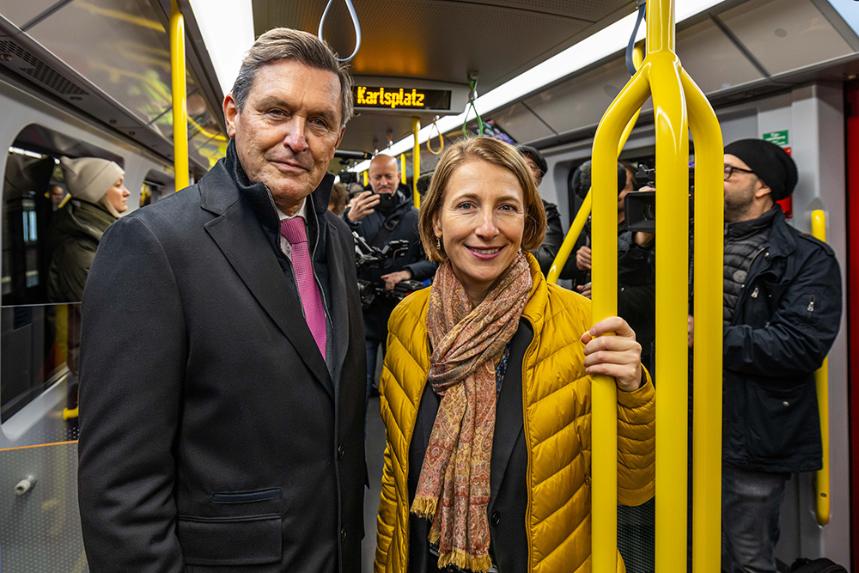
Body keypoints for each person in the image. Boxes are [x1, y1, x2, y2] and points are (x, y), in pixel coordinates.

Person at [77, 28, 367, 572]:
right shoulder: (153, 246)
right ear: (234, 115)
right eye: (276, 112)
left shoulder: (336, 240)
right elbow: (121, 492)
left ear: (338, 135)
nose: (297, 138)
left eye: (320, 122)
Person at [374, 137, 655, 572]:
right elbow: (395, 479)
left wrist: (634, 391)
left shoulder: (582, 323)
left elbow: (634, 486)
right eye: (466, 205)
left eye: (507, 207)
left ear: (528, 222)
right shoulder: (408, 321)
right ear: (435, 223)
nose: (487, 227)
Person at [694, 139, 842, 573]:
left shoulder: (806, 258)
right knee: (690, 546)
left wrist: (709, 338)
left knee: (746, 555)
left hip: (755, 432)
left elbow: (802, 345)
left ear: (762, 188)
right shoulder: (692, 241)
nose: (714, 180)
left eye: (727, 172)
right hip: (691, 422)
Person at [345, 153, 436, 396]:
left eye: (388, 176)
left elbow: (433, 261)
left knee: (400, 386)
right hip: (364, 310)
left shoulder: (415, 217)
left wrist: (407, 272)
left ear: (398, 177)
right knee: (358, 387)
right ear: (370, 179)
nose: (384, 182)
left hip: (401, 309)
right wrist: (349, 221)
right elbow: (336, 253)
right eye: (378, 177)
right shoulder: (357, 213)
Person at [47, 157, 129, 302]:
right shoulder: (79, 250)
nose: (127, 192)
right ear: (98, 193)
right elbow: (103, 311)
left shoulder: (101, 235)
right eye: (118, 185)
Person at [514, 144, 566, 276]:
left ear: (539, 178)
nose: (523, 169)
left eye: (531, 166)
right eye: (518, 162)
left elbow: (547, 257)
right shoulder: (493, 202)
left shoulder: (547, 211)